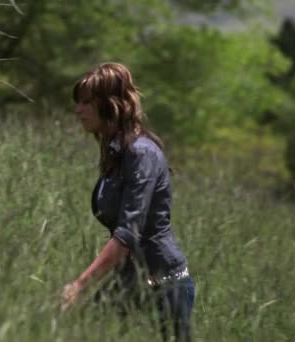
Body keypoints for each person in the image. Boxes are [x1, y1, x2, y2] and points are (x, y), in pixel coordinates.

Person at [61, 63, 195, 341]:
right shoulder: (117, 152)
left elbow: (127, 234)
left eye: (87, 103)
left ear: (109, 106)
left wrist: (80, 285)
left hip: (165, 283)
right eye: (79, 103)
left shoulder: (141, 154)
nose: (79, 110)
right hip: (131, 279)